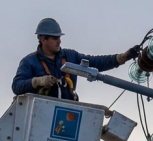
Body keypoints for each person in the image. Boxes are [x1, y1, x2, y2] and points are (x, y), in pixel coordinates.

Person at [12, 18, 140, 101]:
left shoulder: (70, 56)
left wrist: (123, 57)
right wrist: (38, 81)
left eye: (59, 37)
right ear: (43, 40)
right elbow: (17, 86)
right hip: (40, 114)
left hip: (67, 110)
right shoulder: (29, 61)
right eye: (55, 38)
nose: (59, 41)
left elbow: (95, 62)